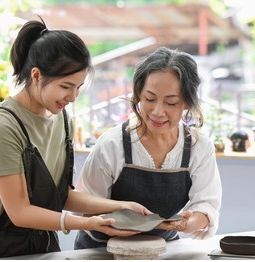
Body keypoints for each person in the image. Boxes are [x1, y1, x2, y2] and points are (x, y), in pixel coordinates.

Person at [0, 18, 150, 259]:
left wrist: (120, 206)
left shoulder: (63, 120)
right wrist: (88, 224)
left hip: (43, 240)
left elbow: (61, 196)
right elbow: (19, 211)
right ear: (37, 75)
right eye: (65, 86)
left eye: (79, 87)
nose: (72, 96)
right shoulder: (2, 125)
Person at [74, 47, 222, 249]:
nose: (158, 112)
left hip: (163, 250)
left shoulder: (199, 147)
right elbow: (84, 205)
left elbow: (206, 205)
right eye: (150, 99)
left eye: (171, 102)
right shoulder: (112, 144)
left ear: (186, 102)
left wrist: (191, 222)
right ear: (137, 96)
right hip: (102, 251)